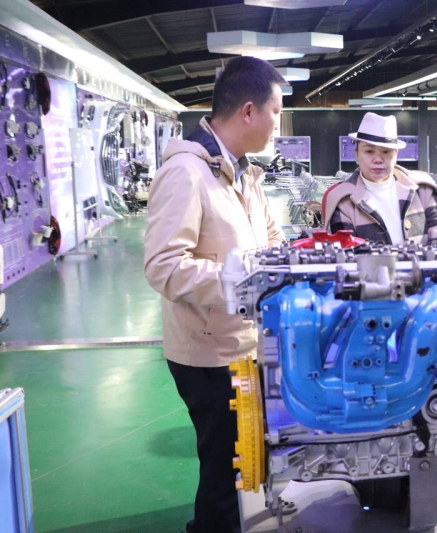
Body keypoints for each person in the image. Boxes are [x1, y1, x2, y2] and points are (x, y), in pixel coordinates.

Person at [144, 57, 286, 533]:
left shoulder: (244, 174)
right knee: (225, 472)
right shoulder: (186, 173)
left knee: (244, 462)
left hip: (243, 343)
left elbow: (269, 238)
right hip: (208, 354)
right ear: (248, 111)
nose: (277, 124)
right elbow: (163, 266)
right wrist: (240, 279)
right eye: (276, 112)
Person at [322, 112, 437, 244]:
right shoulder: (342, 201)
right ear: (357, 154)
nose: (378, 160)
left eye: (386, 151)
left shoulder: (423, 190)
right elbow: (347, 250)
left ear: (396, 154)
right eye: (369, 151)